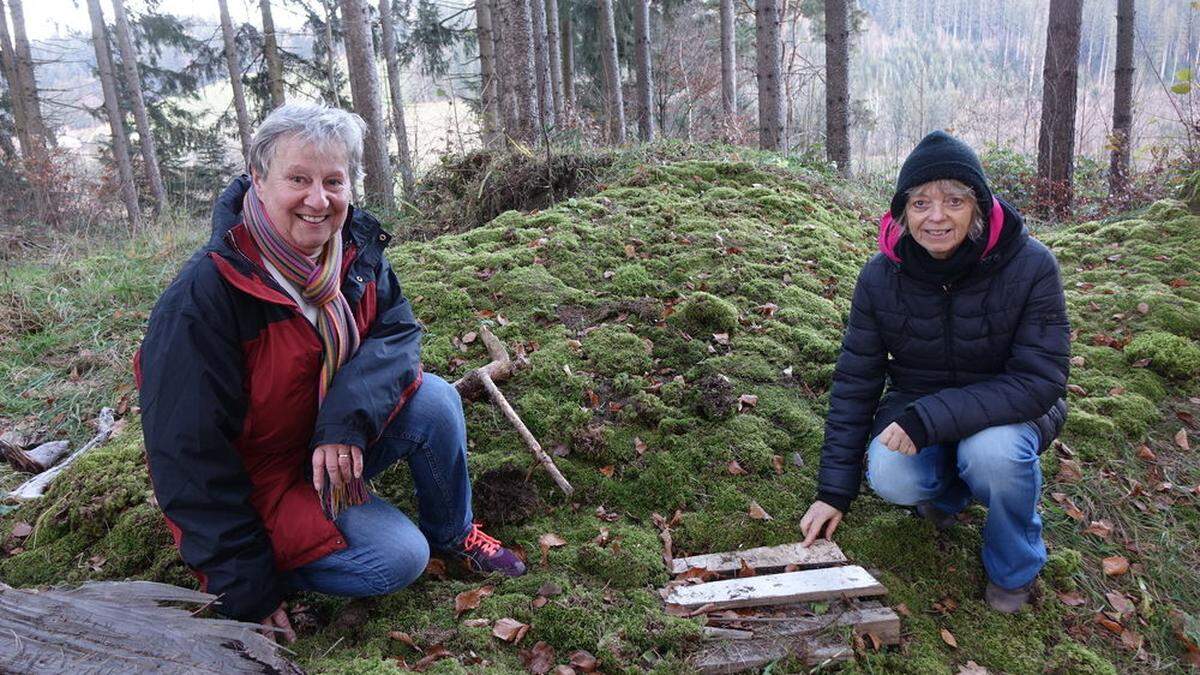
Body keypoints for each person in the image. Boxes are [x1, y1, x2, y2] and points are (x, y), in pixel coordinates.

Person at [137, 103, 525, 642]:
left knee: (434, 400)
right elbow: (187, 457)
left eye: (333, 181)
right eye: (298, 179)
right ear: (258, 179)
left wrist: (344, 423)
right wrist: (243, 584)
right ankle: (278, 563)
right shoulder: (206, 298)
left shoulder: (353, 251)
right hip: (263, 487)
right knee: (397, 559)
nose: (318, 201)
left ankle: (455, 534)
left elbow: (397, 332)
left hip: (328, 444)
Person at [798, 131, 1070, 613]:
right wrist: (833, 492)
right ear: (903, 213)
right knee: (891, 474)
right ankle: (950, 493)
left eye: (954, 200)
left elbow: (1040, 380)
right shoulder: (881, 277)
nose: (936, 216)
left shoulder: (1030, 266)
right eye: (920, 203)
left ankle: (1014, 566)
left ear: (979, 207)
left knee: (995, 454)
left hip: (1009, 409)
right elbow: (856, 382)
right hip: (917, 402)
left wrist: (931, 419)